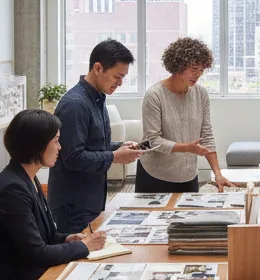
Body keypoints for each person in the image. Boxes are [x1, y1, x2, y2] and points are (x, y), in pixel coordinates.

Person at [0, 109, 107, 280]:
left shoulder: (27, 178)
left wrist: (67, 239)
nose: (60, 147)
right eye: (56, 141)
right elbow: (37, 253)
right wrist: (84, 246)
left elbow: (44, 237)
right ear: (38, 144)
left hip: (39, 273)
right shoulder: (12, 190)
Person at [48, 39, 143, 235]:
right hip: (73, 206)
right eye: (117, 76)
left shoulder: (97, 98)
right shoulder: (75, 105)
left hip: (90, 200)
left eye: (123, 77)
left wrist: (118, 146)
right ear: (98, 68)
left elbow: (93, 144)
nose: (120, 83)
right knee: (77, 254)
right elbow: (73, 157)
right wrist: (115, 156)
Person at [138, 37, 235, 195]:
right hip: (156, 174)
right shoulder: (155, 95)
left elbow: (207, 135)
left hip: (188, 175)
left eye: (201, 70)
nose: (198, 74)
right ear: (178, 65)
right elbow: (152, 140)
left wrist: (218, 174)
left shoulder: (201, 94)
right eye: (194, 69)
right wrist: (186, 148)